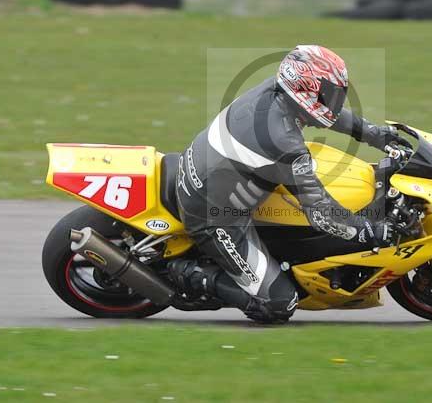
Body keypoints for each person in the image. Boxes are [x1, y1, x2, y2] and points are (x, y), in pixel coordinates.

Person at [169, 45, 407, 323]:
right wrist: (371, 233)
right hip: (213, 215)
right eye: (330, 94)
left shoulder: (279, 91)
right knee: (279, 304)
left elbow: (327, 114)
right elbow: (321, 215)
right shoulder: (283, 141)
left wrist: (374, 134)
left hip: (212, 175)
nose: (335, 101)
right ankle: (188, 274)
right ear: (305, 90)